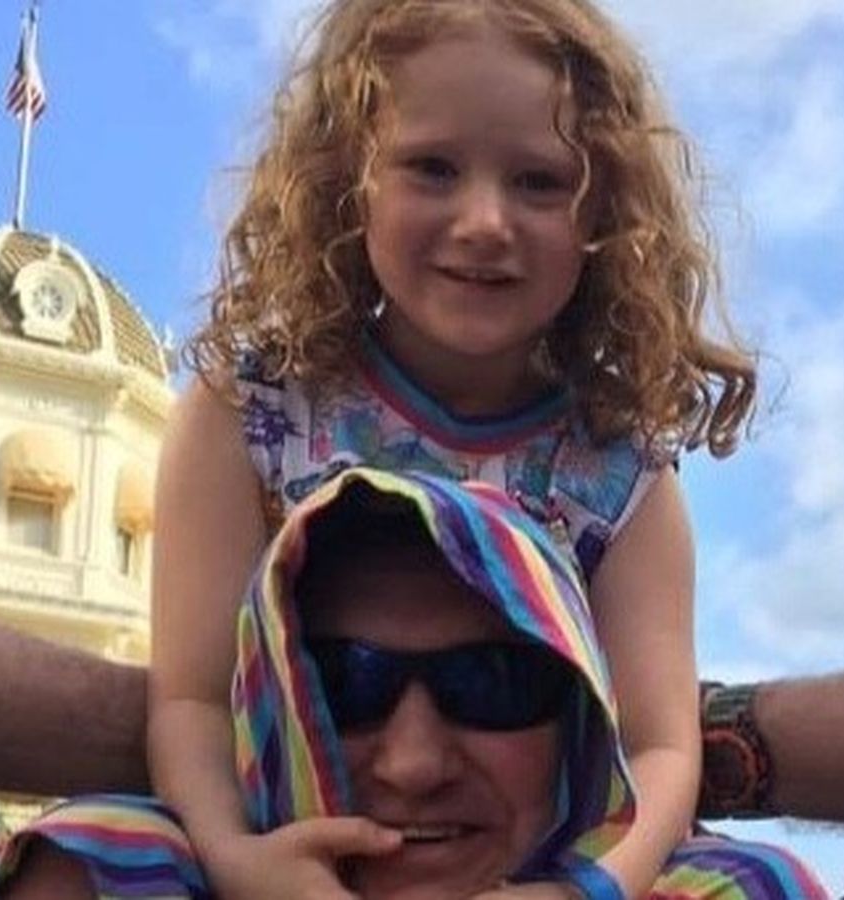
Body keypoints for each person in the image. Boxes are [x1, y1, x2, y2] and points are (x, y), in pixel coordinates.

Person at [152, 0, 754, 896]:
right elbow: (193, 698)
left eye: (540, 182)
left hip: (525, 868)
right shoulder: (245, 411)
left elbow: (659, 747)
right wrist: (236, 859)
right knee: (83, 853)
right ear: (349, 181)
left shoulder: (622, 474)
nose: (484, 220)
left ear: (606, 215)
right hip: (283, 855)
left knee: (754, 879)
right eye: (432, 168)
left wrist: (584, 891)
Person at [0, 468, 828, 899]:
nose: (414, 764)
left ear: (582, 729)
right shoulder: (116, 877)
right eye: (341, 684)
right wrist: (233, 858)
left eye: (493, 683)